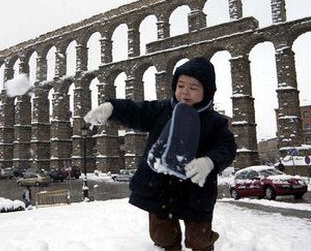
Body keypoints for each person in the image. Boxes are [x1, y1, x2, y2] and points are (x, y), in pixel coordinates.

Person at [85, 57, 237, 251]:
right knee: (162, 235)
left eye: (193, 87)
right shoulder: (162, 110)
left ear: (207, 91)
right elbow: (136, 111)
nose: (185, 92)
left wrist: (209, 162)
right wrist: (112, 108)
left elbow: (227, 147)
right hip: (159, 186)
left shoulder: (215, 121)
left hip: (196, 190)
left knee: (198, 238)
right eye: (181, 85)